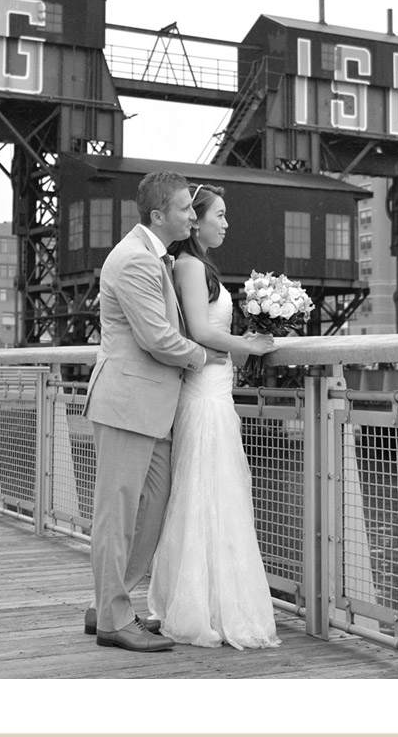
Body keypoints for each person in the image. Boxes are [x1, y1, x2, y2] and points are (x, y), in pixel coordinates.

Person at [82, 171, 227, 653]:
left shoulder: (156, 257)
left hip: (151, 406)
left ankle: (110, 603)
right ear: (159, 214)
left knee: (153, 508)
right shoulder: (134, 261)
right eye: (186, 208)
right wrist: (207, 357)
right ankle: (113, 620)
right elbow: (157, 338)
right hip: (128, 404)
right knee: (117, 515)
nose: (192, 214)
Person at [147, 183, 282, 649]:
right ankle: (200, 607)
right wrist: (247, 344)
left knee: (220, 494)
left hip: (216, 390)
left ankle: (214, 600)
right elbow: (201, 329)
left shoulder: (202, 267)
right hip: (204, 395)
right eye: (217, 215)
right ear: (196, 221)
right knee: (205, 494)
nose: (225, 224)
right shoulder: (187, 264)